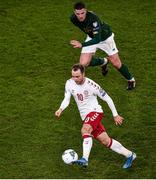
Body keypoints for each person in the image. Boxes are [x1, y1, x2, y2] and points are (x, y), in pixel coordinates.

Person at [55, 64, 136, 168]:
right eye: (73, 76)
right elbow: (66, 99)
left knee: (85, 130)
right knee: (106, 141)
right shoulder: (69, 83)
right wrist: (60, 109)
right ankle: (130, 155)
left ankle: (85, 159)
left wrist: (115, 115)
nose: (74, 79)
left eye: (77, 76)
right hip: (85, 117)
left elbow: (108, 98)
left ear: (83, 74)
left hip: (95, 112)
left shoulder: (92, 85)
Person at [70, 2, 136, 90]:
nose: (80, 16)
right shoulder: (73, 19)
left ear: (86, 11)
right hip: (92, 37)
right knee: (83, 63)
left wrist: (82, 44)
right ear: (74, 12)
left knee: (116, 63)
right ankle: (103, 62)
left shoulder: (93, 19)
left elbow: (97, 39)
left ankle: (131, 80)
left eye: (82, 13)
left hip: (105, 38)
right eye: (78, 14)